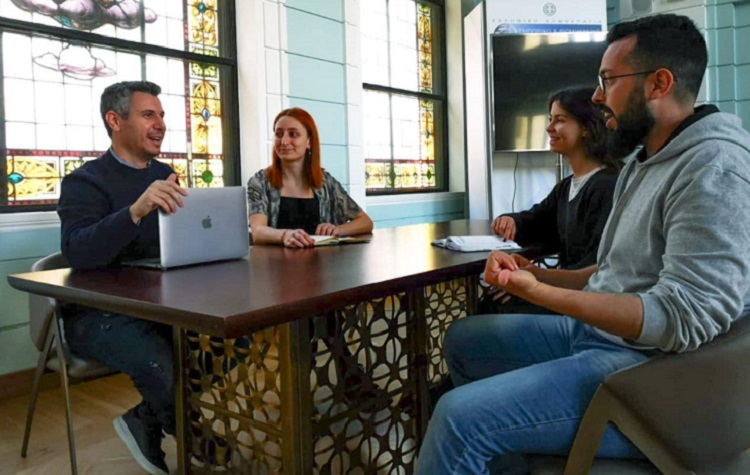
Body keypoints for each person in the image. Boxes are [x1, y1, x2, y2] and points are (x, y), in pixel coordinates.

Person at [416, 13, 750, 475]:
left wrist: (542, 294)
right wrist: (535, 274)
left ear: (659, 83)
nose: (596, 96)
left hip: (647, 373)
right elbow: (612, 273)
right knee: (464, 340)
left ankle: (493, 438)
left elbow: (683, 316)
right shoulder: (644, 161)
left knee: (458, 419)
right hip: (602, 337)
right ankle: (512, 454)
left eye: (608, 80)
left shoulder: (714, 168)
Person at [58, 81, 187, 475]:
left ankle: (144, 418)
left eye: (161, 115)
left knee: (232, 341)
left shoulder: (165, 174)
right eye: (149, 115)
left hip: (161, 306)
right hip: (97, 314)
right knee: (160, 361)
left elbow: (175, 242)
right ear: (115, 121)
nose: (160, 124)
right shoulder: (84, 181)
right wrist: (135, 211)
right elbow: (77, 250)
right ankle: (200, 445)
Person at [486, 86, 619, 314]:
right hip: (564, 289)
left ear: (586, 128)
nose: (549, 128)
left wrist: (534, 282)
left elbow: (597, 265)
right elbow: (538, 221)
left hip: (586, 300)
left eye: (560, 120)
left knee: (497, 306)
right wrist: (512, 220)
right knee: (493, 300)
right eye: (550, 119)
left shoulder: (607, 186)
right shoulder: (566, 187)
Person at [247, 107, 373, 247]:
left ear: (309, 142)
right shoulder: (260, 182)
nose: (284, 141)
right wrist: (285, 235)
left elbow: (365, 222)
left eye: (293, 134)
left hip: (324, 260)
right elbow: (258, 232)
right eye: (279, 134)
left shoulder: (327, 182)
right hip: (275, 260)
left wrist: (337, 230)